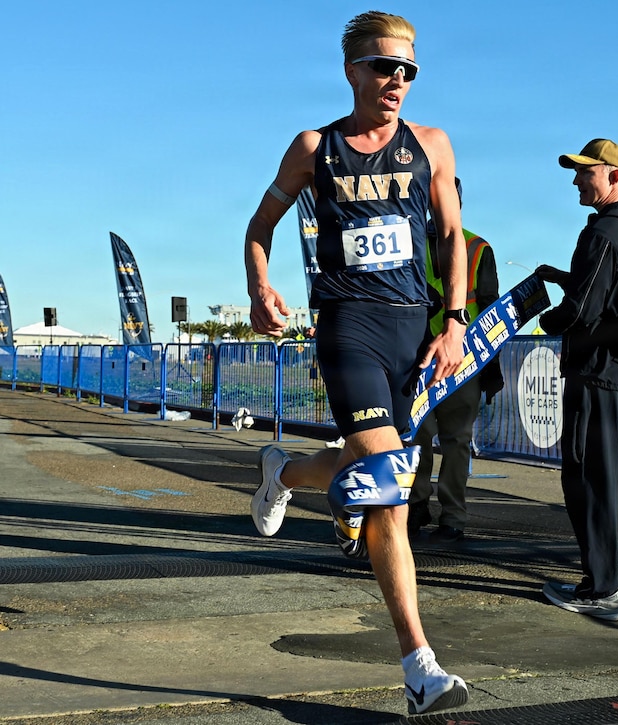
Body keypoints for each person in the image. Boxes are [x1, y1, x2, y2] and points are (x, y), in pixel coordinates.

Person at [242, 11, 470, 715]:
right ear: (353, 71)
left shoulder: (431, 145)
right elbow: (259, 225)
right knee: (390, 495)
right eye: (383, 66)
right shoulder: (316, 147)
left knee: (361, 468)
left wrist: (455, 321)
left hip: (413, 332)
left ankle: (281, 470)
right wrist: (260, 285)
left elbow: (453, 232)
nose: (397, 80)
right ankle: (419, 667)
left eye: (408, 69)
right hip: (348, 328)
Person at [535, 138, 618, 621]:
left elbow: (581, 312)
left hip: (595, 377)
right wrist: (566, 277)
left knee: (590, 481)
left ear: (614, 175)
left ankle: (602, 590)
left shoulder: (601, 234)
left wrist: (543, 320)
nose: (576, 179)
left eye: (585, 172)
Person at [409, 181, 503, 542]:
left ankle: (453, 517)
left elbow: (492, 311)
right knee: (417, 438)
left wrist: (491, 371)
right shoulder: (407, 246)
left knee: (456, 441)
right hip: (416, 362)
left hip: (463, 363)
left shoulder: (477, 248)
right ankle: (417, 506)